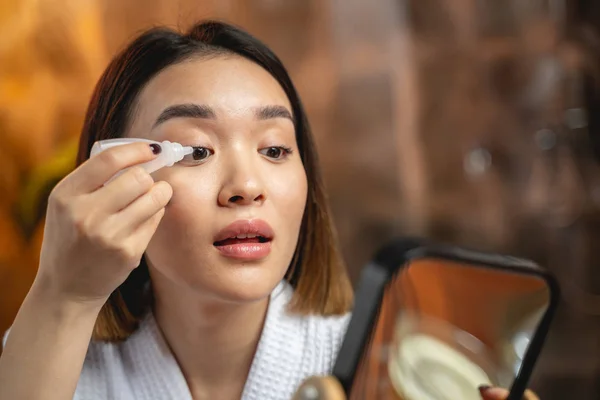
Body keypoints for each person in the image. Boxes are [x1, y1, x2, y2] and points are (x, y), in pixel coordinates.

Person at [0, 20, 534, 400]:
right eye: (199, 151)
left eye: (275, 149)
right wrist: (64, 294)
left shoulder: (391, 371)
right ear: (116, 175)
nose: (247, 186)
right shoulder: (49, 358)